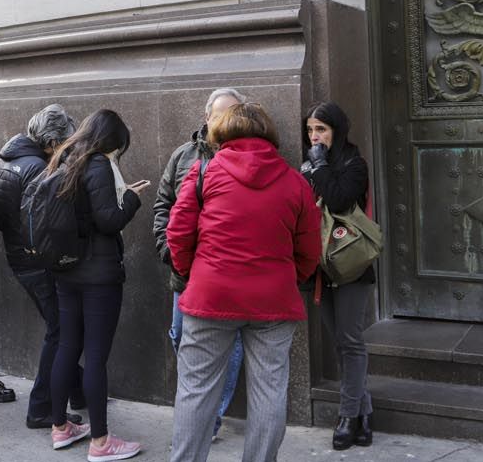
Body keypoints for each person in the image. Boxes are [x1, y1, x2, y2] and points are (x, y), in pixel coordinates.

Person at [166, 103, 321, 462]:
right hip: (274, 300)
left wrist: (196, 273)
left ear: (221, 134)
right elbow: (310, 248)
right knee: (269, 392)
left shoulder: (203, 172)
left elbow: (178, 233)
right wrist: (288, 277)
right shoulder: (295, 181)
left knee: (196, 390)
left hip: (211, 295)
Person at [46, 109, 148, 462]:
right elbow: (108, 220)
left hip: (67, 271)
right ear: (112, 140)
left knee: (67, 347)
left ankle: (60, 427)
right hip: (99, 275)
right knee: (96, 358)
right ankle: (101, 442)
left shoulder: (67, 161)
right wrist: (132, 199)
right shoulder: (99, 165)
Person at [152, 87, 247, 441]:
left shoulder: (250, 154)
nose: (227, 121)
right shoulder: (183, 156)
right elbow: (163, 204)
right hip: (186, 271)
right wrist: (169, 250)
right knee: (180, 336)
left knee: (230, 343)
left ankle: (211, 419)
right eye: (220, 114)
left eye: (234, 113)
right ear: (206, 117)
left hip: (228, 273)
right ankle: (198, 408)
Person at [0, 104, 87, 429]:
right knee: (61, 332)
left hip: (19, 257)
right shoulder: (38, 168)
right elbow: (49, 223)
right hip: (38, 261)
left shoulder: (4, 161)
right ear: (50, 142)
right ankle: (41, 408)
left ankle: (78, 390)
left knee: (61, 328)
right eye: (63, 144)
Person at [302, 102, 374, 450]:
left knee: (351, 341)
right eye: (311, 131)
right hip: (320, 266)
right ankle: (364, 410)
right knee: (340, 342)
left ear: (337, 131)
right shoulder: (311, 166)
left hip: (351, 266)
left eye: (322, 130)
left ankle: (348, 416)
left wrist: (318, 167)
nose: (315, 138)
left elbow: (340, 200)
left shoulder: (354, 164)